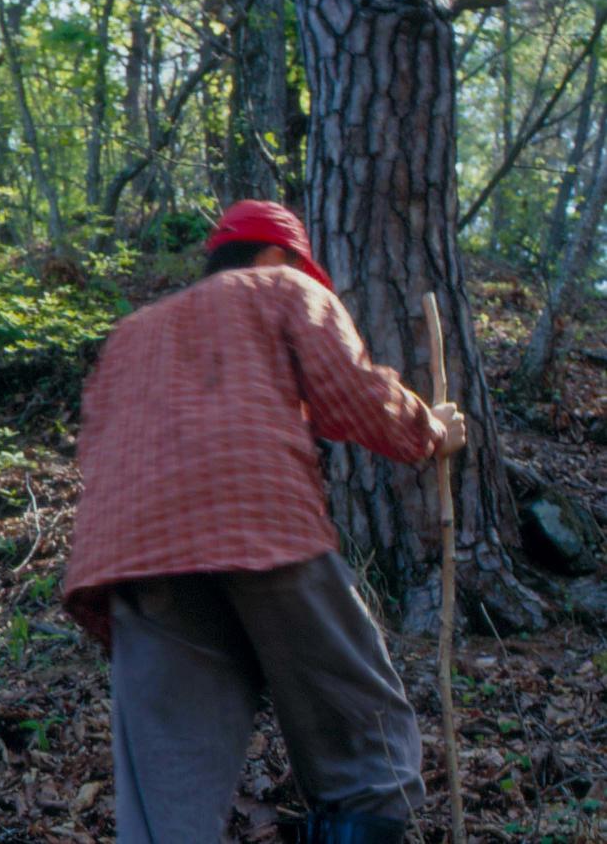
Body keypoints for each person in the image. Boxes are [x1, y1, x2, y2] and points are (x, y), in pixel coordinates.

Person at [64, 199, 466, 844]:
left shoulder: (132, 332)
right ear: (281, 255)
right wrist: (430, 429)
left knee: (171, 789)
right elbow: (350, 392)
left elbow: (97, 450)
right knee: (366, 746)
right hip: (257, 521)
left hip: (133, 555)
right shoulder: (282, 287)